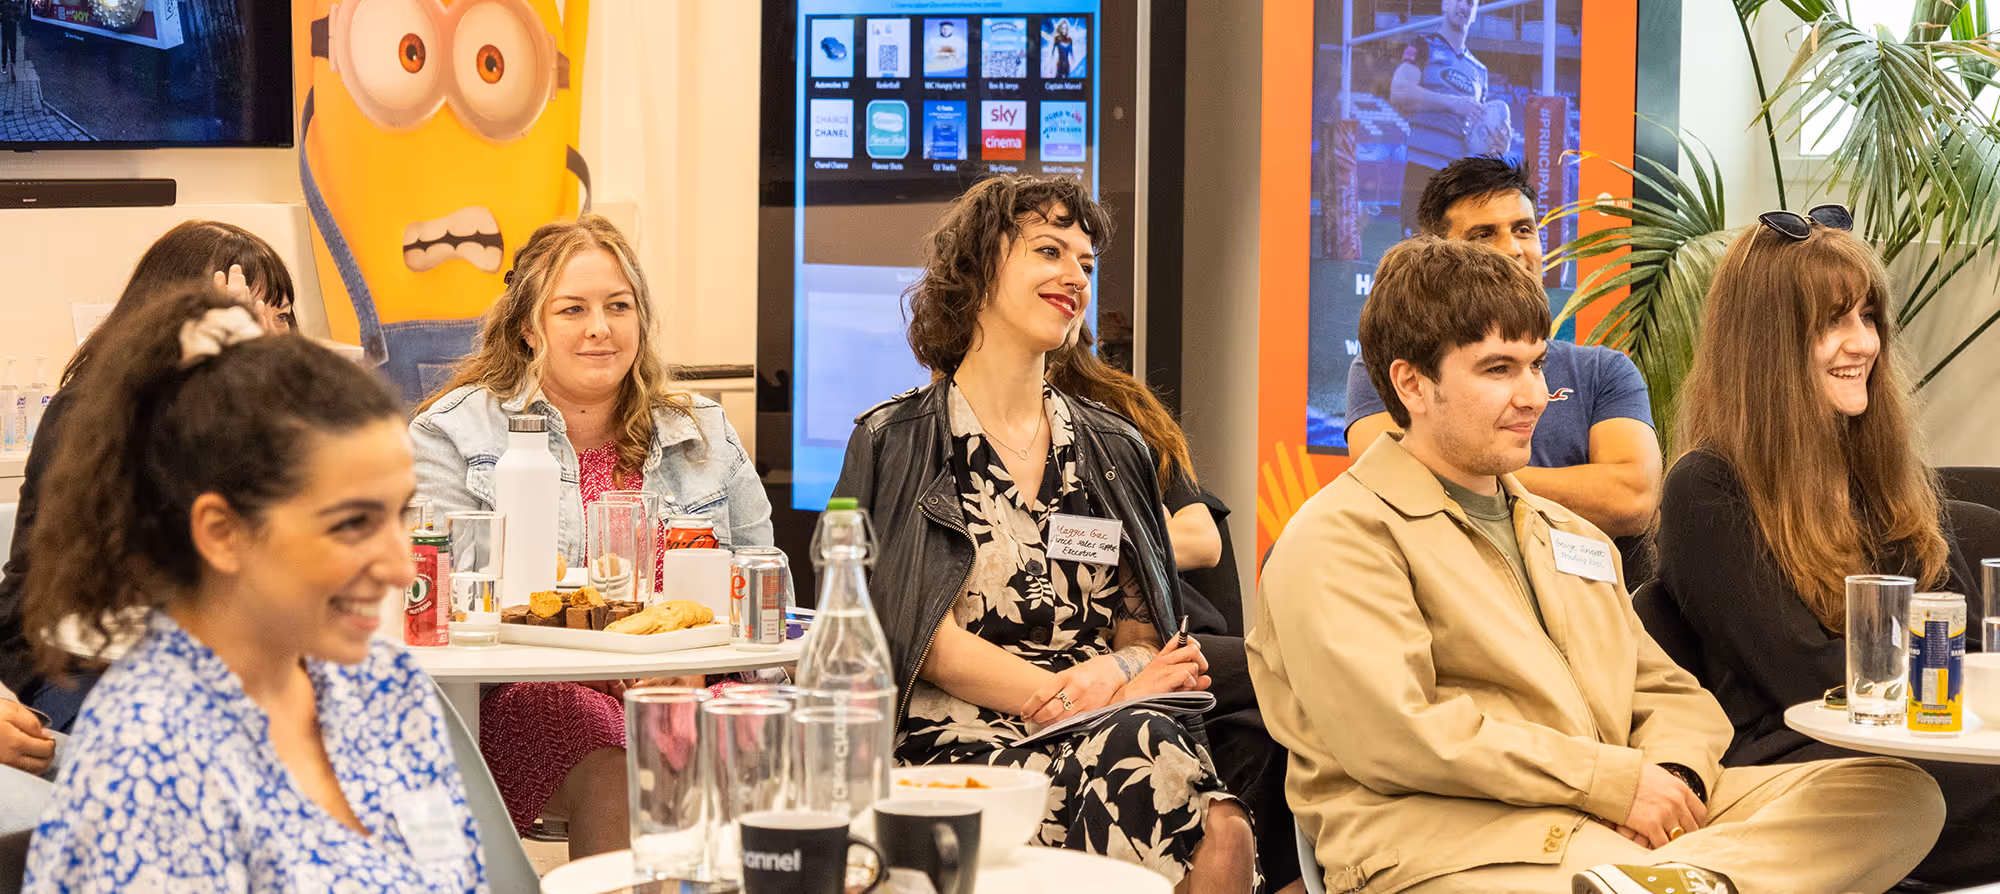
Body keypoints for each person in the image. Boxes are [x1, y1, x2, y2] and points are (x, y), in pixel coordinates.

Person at [1253, 236, 1944, 894]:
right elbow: (1400, 737)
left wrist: (1672, 780)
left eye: (1536, 364)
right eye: (1498, 369)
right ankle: (1679, 879)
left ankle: (1683, 879)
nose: (1533, 396)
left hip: (1615, 820)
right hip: (1454, 838)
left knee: (1896, 793)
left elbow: (1670, 695)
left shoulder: (1560, 530)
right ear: (1411, 384)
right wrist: (1609, 784)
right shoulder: (1338, 537)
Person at [833, 174, 1253, 892]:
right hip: (961, 735)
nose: (1075, 278)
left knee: (1224, 828)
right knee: (1159, 772)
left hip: (1115, 718)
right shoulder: (895, 439)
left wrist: (1115, 680)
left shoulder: (1112, 445)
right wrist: (1074, 694)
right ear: (979, 269)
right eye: (1049, 252)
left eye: (1086, 264)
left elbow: (1143, 627)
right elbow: (921, 638)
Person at [19, 282, 483, 890]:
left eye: (400, 514)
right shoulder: (150, 763)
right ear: (222, 533)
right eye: (351, 525)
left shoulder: (383, 686)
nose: (402, 569)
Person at [1652, 207, 2000, 887]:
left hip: (1914, 744)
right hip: (1805, 769)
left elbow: (1952, 636)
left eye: (1867, 317)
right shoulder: (1707, 488)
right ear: (1767, 345)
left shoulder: (1880, 476)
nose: (1862, 343)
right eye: (1831, 323)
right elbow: (1806, 675)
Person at [411, 213, 772, 858]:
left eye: (618, 306)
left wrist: (696, 669)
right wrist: (609, 672)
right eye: (572, 309)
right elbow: (442, 607)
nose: (600, 328)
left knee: (777, 728)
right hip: (526, 693)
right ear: (529, 328)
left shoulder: (706, 433)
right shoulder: (452, 434)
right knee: (620, 764)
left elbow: (767, 588)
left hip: (695, 684)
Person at [0, 220, 297, 759]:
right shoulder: (94, 411)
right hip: (71, 670)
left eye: (281, 318)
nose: (273, 337)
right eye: (252, 319)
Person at [1047, 326, 1298, 894]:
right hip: (1104, 650)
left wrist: (1071, 537)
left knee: (1297, 688)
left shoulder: (1117, 419)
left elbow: (1199, 539)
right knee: (1276, 710)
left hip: (1178, 635)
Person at [1344, 157, 1662, 542]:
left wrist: (1471, 478)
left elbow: (1631, 500)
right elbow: (1389, 473)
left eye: (1524, 229)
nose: (1512, 249)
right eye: (1483, 235)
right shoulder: (1396, 362)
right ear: (1438, 254)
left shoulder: (1603, 371)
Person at [1387, 0, 1495, 236]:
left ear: (1475, 13)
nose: (1463, 6)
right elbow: (1400, 90)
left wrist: (1496, 143)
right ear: (1445, 4)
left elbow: (1477, 137)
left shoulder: (1480, 71)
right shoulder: (1423, 46)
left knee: (1452, 261)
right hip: (1421, 173)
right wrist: (1453, 103)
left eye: (1470, 2)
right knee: (1416, 257)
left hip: (1457, 180)